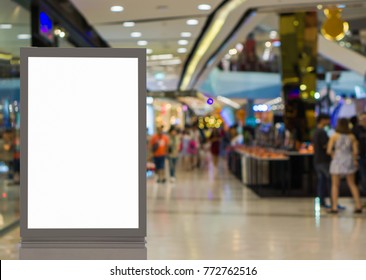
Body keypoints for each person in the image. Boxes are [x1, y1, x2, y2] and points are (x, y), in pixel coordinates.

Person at [327, 118, 362, 213]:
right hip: (348, 159)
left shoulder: (334, 136)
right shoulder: (352, 136)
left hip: (337, 160)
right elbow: (355, 151)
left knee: (335, 185)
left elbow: (329, 150)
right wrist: (355, 160)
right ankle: (358, 206)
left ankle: (334, 207)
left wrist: (334, 155)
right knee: (352, 184)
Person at [312, 114, 332, 208]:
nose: (328, 122)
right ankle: (333, 202)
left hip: (317, 160)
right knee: (330, 181)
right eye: (327, 119)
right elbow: (325, 146)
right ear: (322, 120)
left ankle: (322, 201)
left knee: (321, 181)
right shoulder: (322, 132)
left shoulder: (316, 131)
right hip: (323, 160)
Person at [352, 113, 366, 194]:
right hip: (361, 156)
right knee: (363, 177)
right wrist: (355, 158)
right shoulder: (356, 129)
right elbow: (354, 144)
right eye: (363, 119)